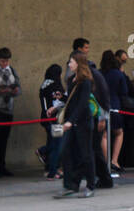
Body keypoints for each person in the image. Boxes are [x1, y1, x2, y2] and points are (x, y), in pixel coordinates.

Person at [54, 51, 97, 198]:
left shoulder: (85, 81)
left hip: (82, 123)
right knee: (65, 152)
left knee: (86, 155)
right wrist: (56, 105)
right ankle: (70, 185)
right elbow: (71, 101)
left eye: (71, 61)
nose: (69, 64)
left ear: (78, 63)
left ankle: (91, 185)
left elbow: (82, 104)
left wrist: (71, 121)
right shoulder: (72, 79)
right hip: (71, 122)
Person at [0, 47, 21, 178]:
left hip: (8, 109)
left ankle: (1, 166)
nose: (5, 64)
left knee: (3, 140)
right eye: (2, 61)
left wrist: (15, 91)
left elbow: (19, 87)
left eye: (7, 61)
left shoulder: (12, 70)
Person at [37, 64, 67, 179]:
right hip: (55, 119)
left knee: (52, 142)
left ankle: (48, 169)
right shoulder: (56, 85)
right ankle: (52, 171)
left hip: (45, 118)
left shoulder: (44, 84)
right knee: (57, 145)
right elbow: (61, 100)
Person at [100, 50, 127, 172]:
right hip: (115, 105)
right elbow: (124, 92)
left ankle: (106, 162)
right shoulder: (118, 74)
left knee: (104, 135)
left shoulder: (99, 73)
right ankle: (114, 161)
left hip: (102, 106)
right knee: (119, 133)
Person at [115, 49, 134, 168]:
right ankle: (128, 159)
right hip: (125, 107)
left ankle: (123, 159)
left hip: (121, 107)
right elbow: (127, 91)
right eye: (122, 60)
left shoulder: (116, 73)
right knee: (128, 135)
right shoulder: (118, 73)